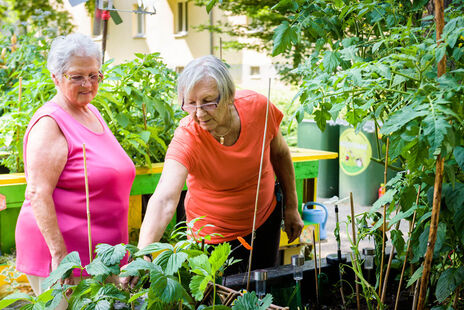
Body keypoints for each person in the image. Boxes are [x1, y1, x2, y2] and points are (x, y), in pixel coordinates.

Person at [136, 55, 304, 276]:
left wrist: (291, 207)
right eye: (190, 103)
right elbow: (164, 199)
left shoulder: (258, 108)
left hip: (264, 222)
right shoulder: (188, 136)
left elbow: (280, 154)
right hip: (212, 238)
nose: (199, 113)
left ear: (229, 97)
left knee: (262, 292)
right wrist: (142, 253)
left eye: (208, 102)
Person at [15, 33, 135, 298]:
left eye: (94, 75)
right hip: (64, 255)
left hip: (100, 251)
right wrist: (60, 258)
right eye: (77, 76)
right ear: (56, 77)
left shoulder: (91, 112)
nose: (88, 84)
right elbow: (38, 193)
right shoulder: (50, 123)